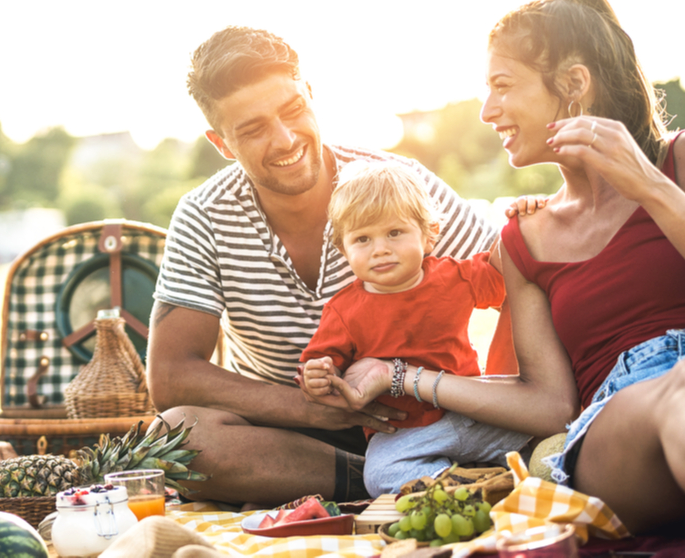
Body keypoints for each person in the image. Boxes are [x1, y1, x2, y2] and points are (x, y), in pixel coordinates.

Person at [310, 0, 684, 534]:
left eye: (502, 86)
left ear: (574, 85)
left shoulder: (675, 165)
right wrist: (403, 377)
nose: (487, 111)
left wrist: (650, 186)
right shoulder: (523, 239)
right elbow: (551, 407)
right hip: (620, 428)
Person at [147, 26, 502, 506]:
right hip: (292, 438)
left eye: (293, 110)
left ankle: (414, 469)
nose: (285, 138)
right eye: (253, 129)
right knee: (175, 438)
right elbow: (171, 376)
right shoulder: (203, 214)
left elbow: (518, 280)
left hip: (432, 419)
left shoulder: (396, 184)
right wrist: (312, 409)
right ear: (222, 143)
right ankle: (385, 480)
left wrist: (503, 396)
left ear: (311, 95)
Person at [298, 161, 529, 496]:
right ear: (343, 249)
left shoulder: (454, 278)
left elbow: (503, 275)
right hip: (406, 433)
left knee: (543, 437)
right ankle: (462, 485)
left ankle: (491, 476)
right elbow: (319, 365)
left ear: (428, 235)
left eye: (395, 232)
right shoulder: (344, 311)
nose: (380, 249)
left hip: (472, 411)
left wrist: (520, 222)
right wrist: (317, 377)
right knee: (378, 473)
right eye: (362, 238)